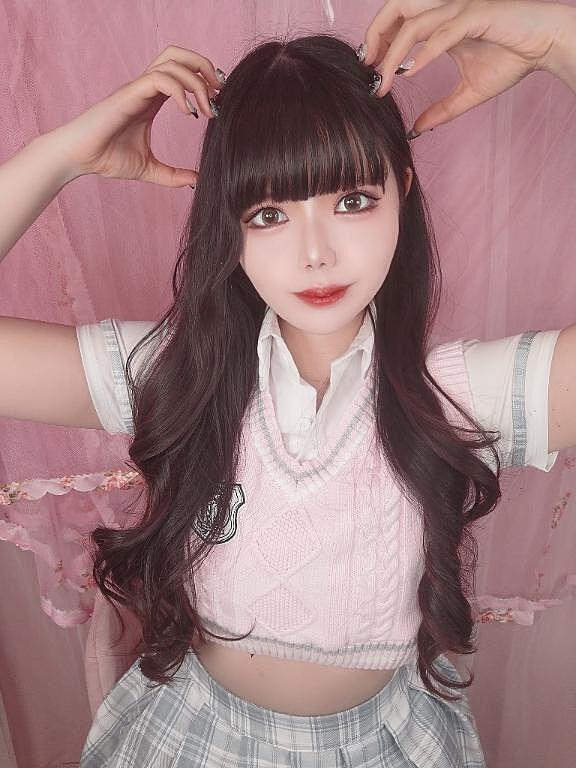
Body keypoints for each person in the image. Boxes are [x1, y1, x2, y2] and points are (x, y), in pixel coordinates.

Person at [0, 0, 574, 765]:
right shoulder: (178, 372)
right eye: (269, 213)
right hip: (190, 742)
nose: (315, 252)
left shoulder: (463, 393)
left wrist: (559, 37)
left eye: (352, 201)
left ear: (403, 189)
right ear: (227, 222)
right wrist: (59, 156)